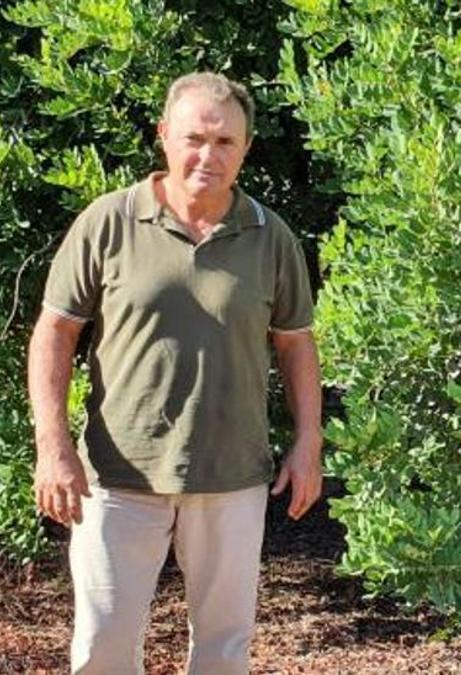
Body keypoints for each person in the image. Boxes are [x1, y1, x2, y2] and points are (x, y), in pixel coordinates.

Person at [26, 72, 322, 674]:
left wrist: (308, 442)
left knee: (223, 649)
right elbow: (53, 333)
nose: (207, 156)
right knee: (102, 650)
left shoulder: (271, 237)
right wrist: (53, 445)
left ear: (246, 149)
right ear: (164, 137)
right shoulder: (108, 222)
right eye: (194, 138)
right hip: (115, 474)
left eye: (225, 143)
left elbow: (296, 345)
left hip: (233, 476)